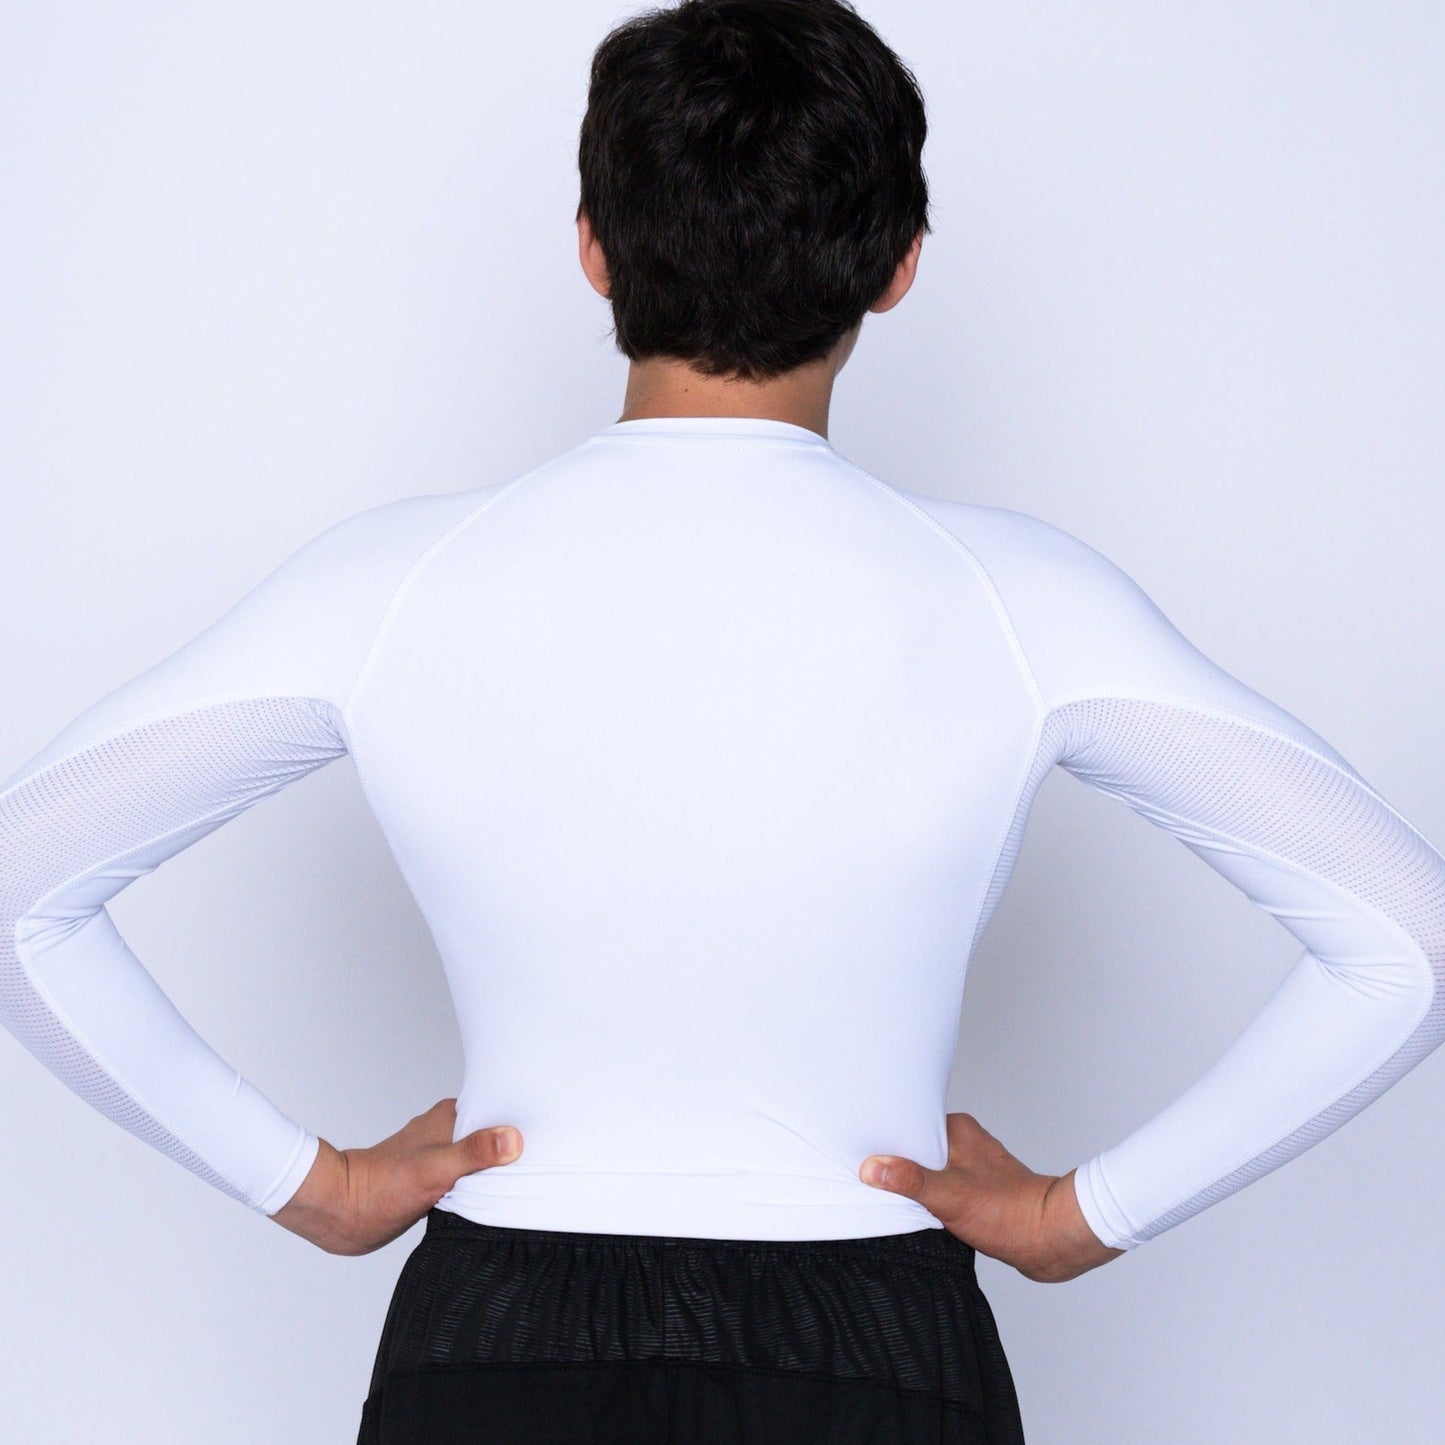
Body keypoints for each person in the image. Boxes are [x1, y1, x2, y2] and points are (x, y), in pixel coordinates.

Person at [1, 0, 1442, 1441]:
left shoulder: (391, 583)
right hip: (878, 1348)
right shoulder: (1018, 599)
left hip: (493, 1346)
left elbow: (25, 884)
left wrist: (304, 1184)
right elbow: (1405, 938)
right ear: (894, 270)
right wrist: (1085, 1215)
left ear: (593, 249)